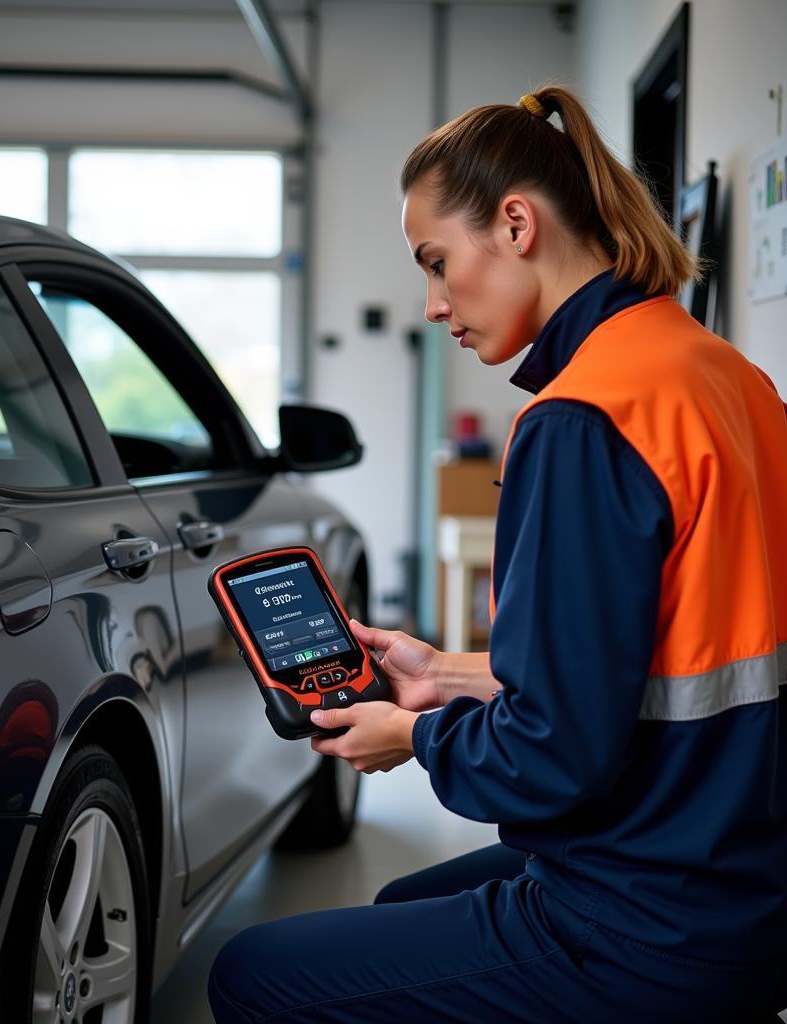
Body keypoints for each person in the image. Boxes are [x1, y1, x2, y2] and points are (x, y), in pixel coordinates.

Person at [207, 84, 787, 1023]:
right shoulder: (725, 375)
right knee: (403, 903)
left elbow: (556, 756)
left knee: (250, 975)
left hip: (646, 918)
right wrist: (449, 673)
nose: (434, 305)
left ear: (516, 223)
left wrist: (414, 736)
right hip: (743, 873)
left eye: (437, 264)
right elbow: (665, 660)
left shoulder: (584, 418)